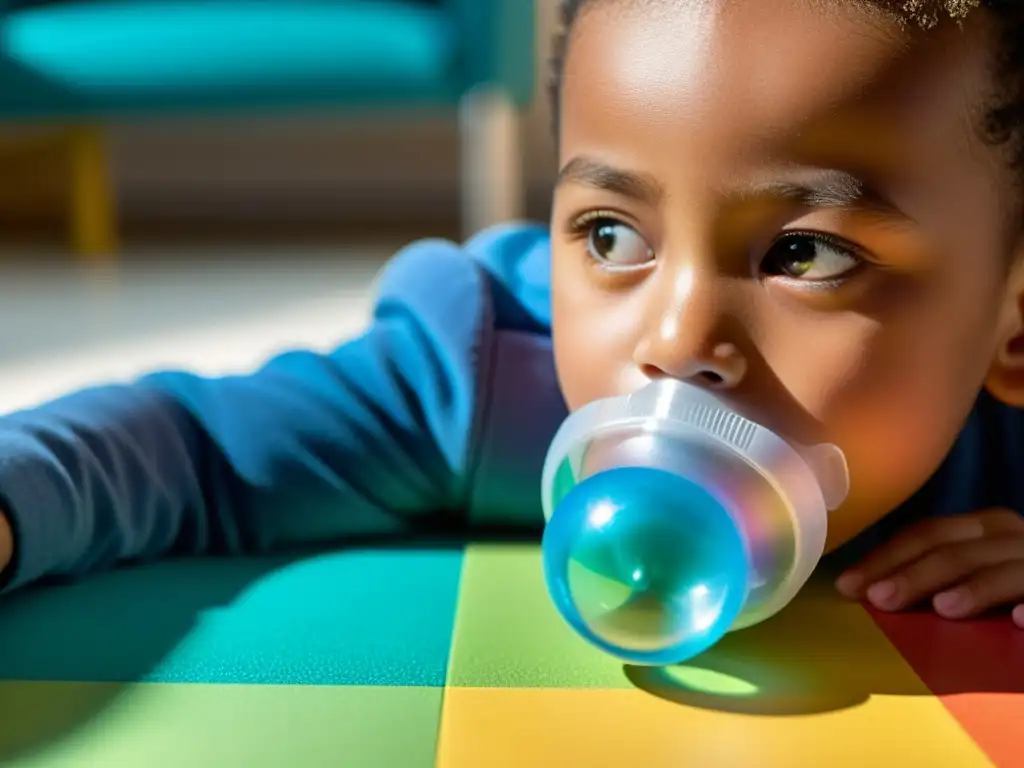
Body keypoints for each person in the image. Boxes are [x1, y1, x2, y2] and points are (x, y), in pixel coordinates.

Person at [1, 0, 1023, 629]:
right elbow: (192, 448)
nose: (672, 346)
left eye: (802, 254)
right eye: (613, 237)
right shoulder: (489, 371)